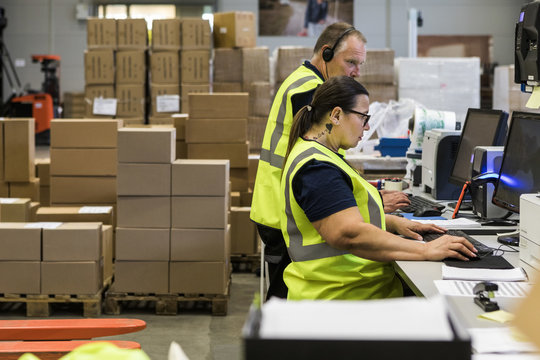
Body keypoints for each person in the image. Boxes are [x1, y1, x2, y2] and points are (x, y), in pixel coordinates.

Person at [280, 76, 478, 300]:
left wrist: (393, 222)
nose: (366, 127)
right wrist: (426, 250)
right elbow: (349, 233)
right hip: (344, 298)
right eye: (363, 117)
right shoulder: (317, 168)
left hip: (346, 290)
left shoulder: (319, 154)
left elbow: (345, 213)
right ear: (336, 115)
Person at [251, 22, 410, 300]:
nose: (356, 71)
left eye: (359, 64)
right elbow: (317, 168)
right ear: (326, 54)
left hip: (283, 203)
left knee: (289, 290)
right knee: (291, 289)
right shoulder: (310, 90)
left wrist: (366, 194)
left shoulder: (303, 80)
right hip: (288, 209)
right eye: (350, 62)